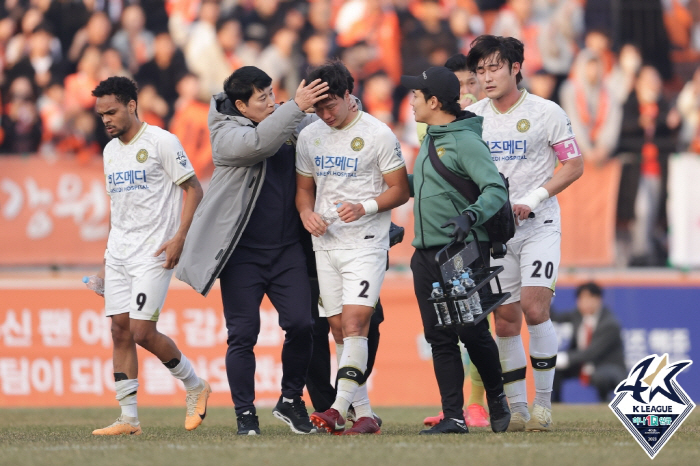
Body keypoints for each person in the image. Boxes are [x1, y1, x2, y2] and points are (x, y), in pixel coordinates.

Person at [176, 67, 330, 435]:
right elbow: (258, 144)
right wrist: (296, 107)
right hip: (242, 254)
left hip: (287, 248)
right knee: (243, 335)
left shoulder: (284, 119)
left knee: (302, 324)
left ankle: (291, 399)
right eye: (262, 98)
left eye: (271, 93)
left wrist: (340, 101)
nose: (271, 102)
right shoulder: (225, 131)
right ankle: (245, 414)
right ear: (242, 105)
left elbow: (319, 128)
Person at [465, 35, 584, 431]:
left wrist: (533, 198)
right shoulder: (472, 116)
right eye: (480, 70)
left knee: (535, 308)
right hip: (495, 232)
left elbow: (573, 165)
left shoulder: (546, 111)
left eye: (494, 67)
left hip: (540, 224)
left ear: (516, 67)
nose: (486, 77)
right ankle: (517, 409)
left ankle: (544, 405)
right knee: (504, 321)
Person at [296, 60, 410, 435]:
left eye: (330, 106)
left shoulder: (377, 134)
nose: (325, 115)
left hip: (365, 243)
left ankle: (336, 408)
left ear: (349, 95)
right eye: (318, 108)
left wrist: (366, 207)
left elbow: (400, 189)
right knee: (339, 332)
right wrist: (306, 213)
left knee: (355, 323)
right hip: (325, 244)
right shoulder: (310, 135)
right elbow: (304, 190)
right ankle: (365, 416)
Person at [89, 76, 208, 436]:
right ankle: (129, 418)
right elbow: (118, 208)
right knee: (119, 330)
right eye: (100, 114)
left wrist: (179, 238)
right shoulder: (110, 152)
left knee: (141, 330)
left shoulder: (161, 142)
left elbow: (194, 189)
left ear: (131, 105)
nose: (106, 120)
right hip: (120, 254)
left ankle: (195, 384)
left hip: (154, 252)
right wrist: (106, 260)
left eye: (111, 112)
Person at [402, 65, 511, 435]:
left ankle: (495, 395)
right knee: (439, 337)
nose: (411, 101)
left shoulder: (465, 141)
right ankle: (452, 416)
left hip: (462, 251)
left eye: (416, 95)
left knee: (472, 331)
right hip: (427, 255)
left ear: (434, 101)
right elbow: (428, 186)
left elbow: (494, 189)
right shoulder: (432, 136)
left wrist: (470, 215)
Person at [421, 53, 491, 429]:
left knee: (482, 321)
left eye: (470, 84)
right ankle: (459, 407)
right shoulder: (434, 128)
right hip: (448, 234)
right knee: (447, 326)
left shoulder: (483, 123)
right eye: (458, 86)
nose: (465, 93)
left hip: (482, 228)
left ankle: (484, 402)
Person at [551, 282, 627, 402]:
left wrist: (566, 358)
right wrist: (546, 297)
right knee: (553, 367)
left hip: (607, 366)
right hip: (581, 364)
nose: (585, 303)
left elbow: (592, 352)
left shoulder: (610, 323)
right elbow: (554, 317)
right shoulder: (577, 315)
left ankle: (604, 401)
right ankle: (555, 403)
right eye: (581, 299)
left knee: (600, 376)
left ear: (598, 299)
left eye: (589, 298)